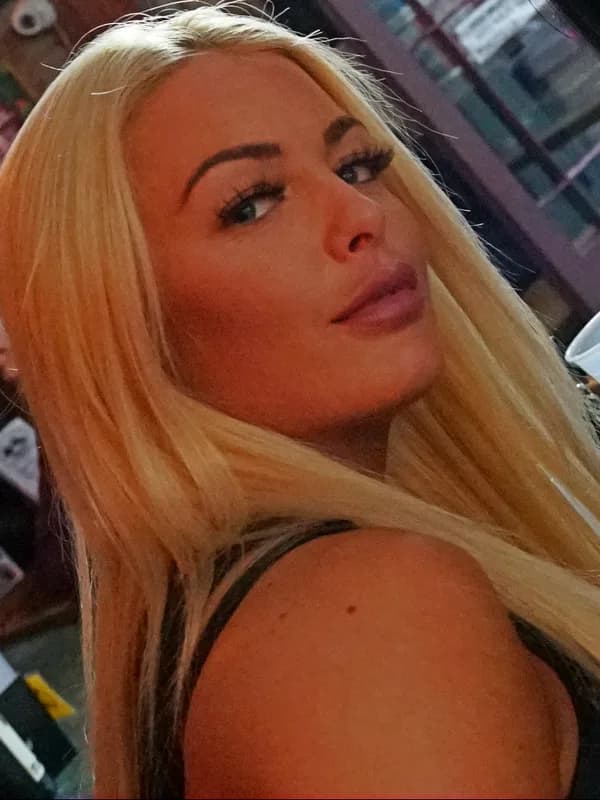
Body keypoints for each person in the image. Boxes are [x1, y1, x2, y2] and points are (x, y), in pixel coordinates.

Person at [0, 3, 599, 797]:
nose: (363, 215)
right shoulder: (364, 617)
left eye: (356, 166)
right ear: (121, 327)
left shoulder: (252, 618)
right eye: (250, 204)